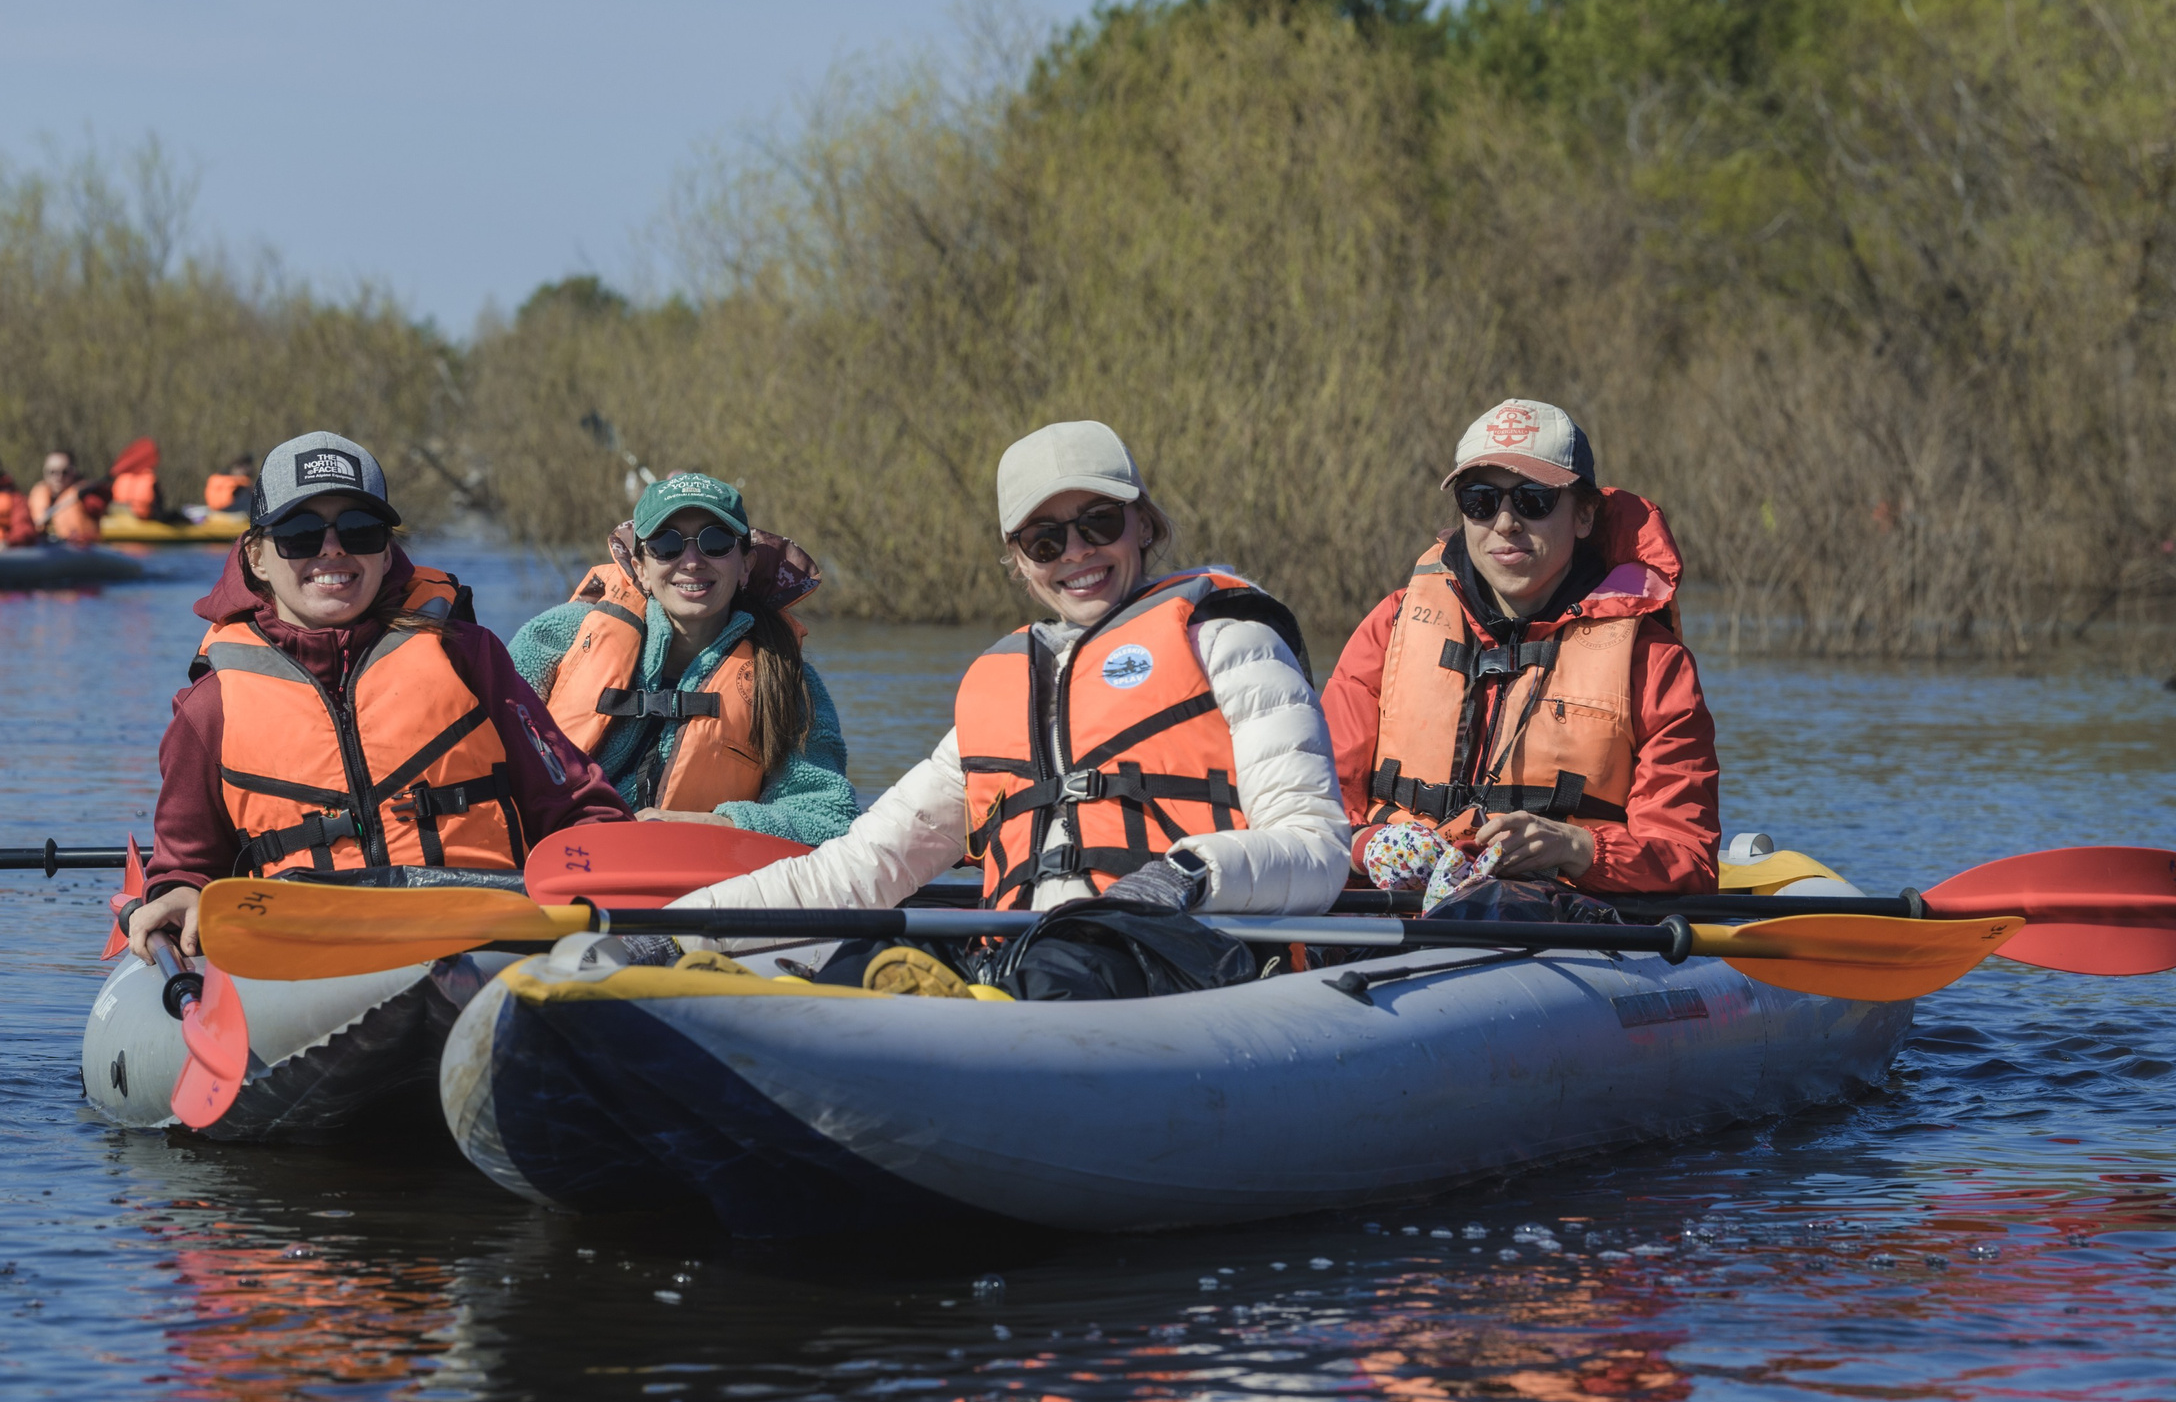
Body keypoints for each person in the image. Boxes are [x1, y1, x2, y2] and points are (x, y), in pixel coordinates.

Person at [672, 420, 1350, 990]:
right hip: (1026, 959)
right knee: (863, 959)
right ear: (1020, 562)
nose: (1076, 553)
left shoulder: (1233, 645)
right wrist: (678, 930)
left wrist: (1184, 876)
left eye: (1099, 522)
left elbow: (1316, 847)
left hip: (1183, 957)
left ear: (1143, 525)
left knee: (1062, 969)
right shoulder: (1004, 695)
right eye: (1045, 540)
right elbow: (858, 868)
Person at [126, 431, 630, 963]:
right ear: (256, 557)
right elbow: (187, 866)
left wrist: (594, 894)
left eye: (359, 530)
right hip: (305, 961)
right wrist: (178, 891)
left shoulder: (467, 657)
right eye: (300, 534)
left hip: (485, 948)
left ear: (387, 554)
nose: (333, 549)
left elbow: (578, 810)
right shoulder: (212, 706)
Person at [1321, 398, 1717, 899]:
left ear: (1585, 515)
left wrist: (1578, 847)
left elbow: (1687, 857)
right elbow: (1311, 800)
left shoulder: (1654, 663)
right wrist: (1365, 845)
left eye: (1534, 499)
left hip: (1560, 916)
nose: (1505, 522)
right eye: (1480, 500)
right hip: (1390, 904)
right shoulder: (1392, 624)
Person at [508, 473, 857, 844]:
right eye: (666, 544)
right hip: (553, 862)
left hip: (699, 872)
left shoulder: (788, 679)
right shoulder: (560, 636)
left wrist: (715, 825)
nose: (691, 562)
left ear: (745, 565)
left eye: (715, 542)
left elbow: (828, 817)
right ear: (640, 568)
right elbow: (486, 754)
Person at [28, 449, 106, 544]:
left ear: (73, 472)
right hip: (43, 548)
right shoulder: (36, 496)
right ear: (45, 473)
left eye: (64, 472)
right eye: (52, 472)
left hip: (77, 548)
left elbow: (100, 503)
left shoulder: (87, 497)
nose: (58, 477)